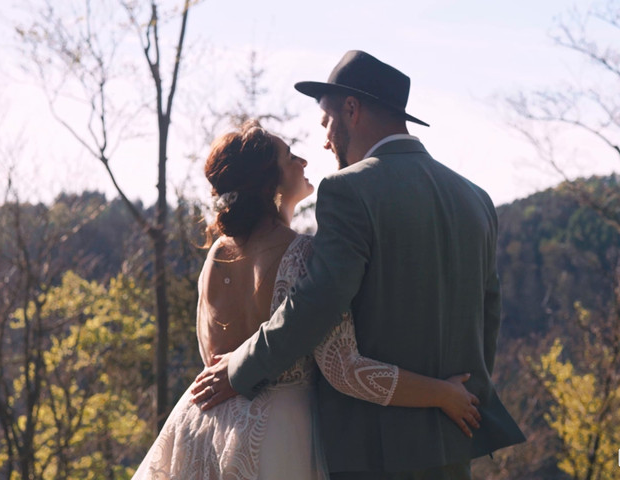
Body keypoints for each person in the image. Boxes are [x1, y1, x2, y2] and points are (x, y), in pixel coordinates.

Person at [191, 50, 526, 479]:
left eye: (327, 122)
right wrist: (464, 396)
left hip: (371, 448)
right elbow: (488, 313)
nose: (326, 140)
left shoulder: (348, 190)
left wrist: (239, 370)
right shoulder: (475, 197)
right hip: (453, 436)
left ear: (352, 109)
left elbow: (315, 304)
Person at [131, 121, 482, 480]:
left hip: (200, 428)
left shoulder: (217, 254)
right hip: (276, 440)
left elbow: (213, 359)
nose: (303, 160)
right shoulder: (304, 255)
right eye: (289, 156)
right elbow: (346, 371)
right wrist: (442, 394)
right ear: (271, 185)